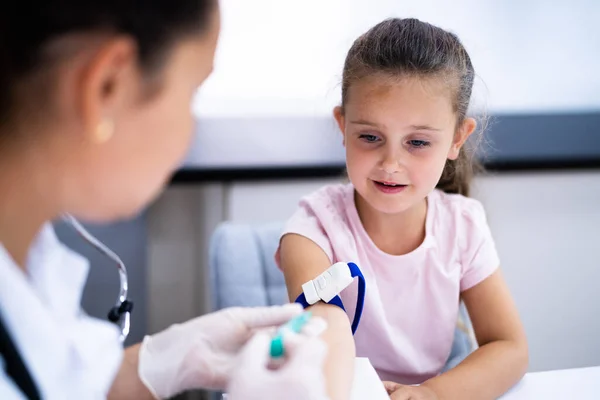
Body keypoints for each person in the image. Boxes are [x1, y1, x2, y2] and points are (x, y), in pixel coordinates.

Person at [0, 1, 329, 399]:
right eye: (192, 92)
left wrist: (153, 365)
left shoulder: (33, 259)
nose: (191, 129)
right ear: (108, 85)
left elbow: (62, 379)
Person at [277, 18, 529, 400]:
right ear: (342, 127)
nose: (391, 163)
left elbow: (509, 348)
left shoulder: (463, 226)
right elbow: (323, 334)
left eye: (418, 142)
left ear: (457, 139)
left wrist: (432, 393)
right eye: (370, 137)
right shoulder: (313, 227)